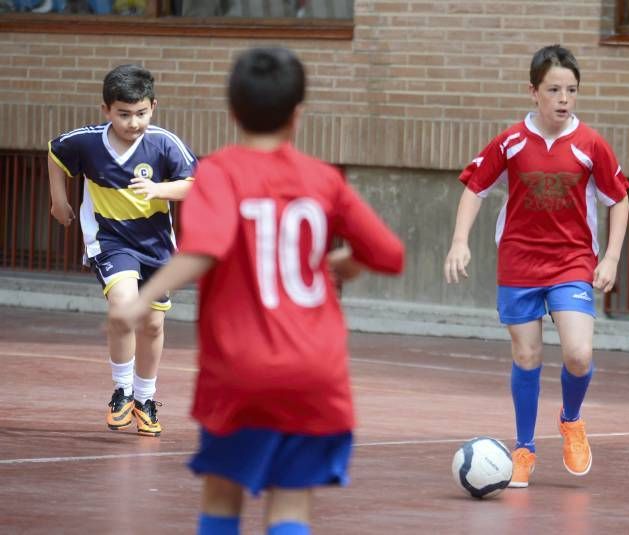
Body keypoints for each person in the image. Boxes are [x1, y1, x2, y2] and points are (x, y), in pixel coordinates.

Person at [109, 47, 404, 535]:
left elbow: (205, 247)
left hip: (240, 369)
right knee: (290, 504)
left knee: (223, 494)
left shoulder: (220, 172)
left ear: (232, 110)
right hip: (314, 370)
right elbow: (389, 254)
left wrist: (142, 299)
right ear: (297, 113)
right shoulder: (324, 180)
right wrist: (343, 264)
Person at [444, 44, 629, 487]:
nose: (563, 99)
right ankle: (524, 449)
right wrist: (458, 242)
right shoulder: (510, 142)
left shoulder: (590, 145)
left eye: (571, 90)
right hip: (520, 262)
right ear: (533, 91)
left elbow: (619, 198)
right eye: (554, 90)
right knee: (526, 355)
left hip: (571, 262)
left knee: (578, 353)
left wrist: (612, 256)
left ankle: (571, 420)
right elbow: (475, 189)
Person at [48, 64, 196, 437]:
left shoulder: (164, 143)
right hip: (110, 238)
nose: (133, 122)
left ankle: (145, 399)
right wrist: (58, 201)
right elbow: (55, 153)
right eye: (124, 114)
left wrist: (160, 190)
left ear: (153, 107)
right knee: (123, 305)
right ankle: (122, 390)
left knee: (153, 322)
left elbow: (195, 185)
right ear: (106, 111)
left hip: (155, 244)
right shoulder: (85, 142)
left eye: (141, 113)